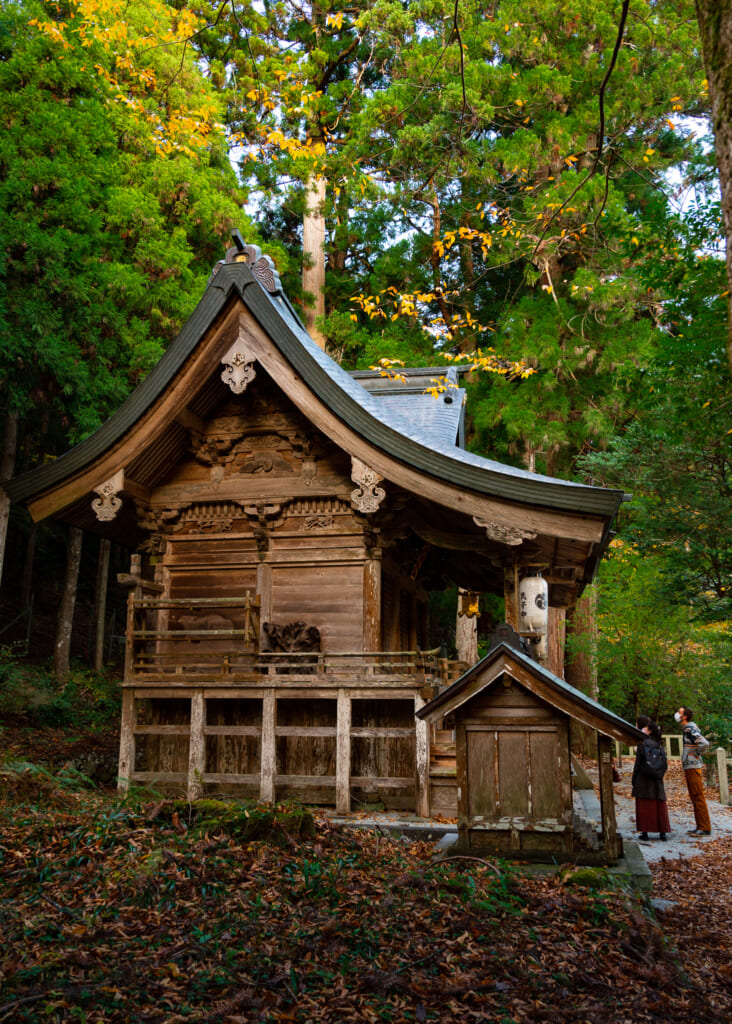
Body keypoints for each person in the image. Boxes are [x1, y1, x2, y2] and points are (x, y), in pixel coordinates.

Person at [631, 716, 670, 841]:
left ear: (649, 730)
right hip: (657, 777)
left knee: (644, 804)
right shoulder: (660, 745)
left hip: (644, 777)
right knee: (659, 804)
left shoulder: (643, 744)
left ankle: (645, 831)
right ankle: (662, 831)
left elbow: (638, 763)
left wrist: (634, 778)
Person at [675, 706, 712, 836]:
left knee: (698, 796)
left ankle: (704, 827)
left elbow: (704, 743)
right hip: (690, 766)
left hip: (693, 766)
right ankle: (700, 826)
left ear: (685, 716)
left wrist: (696, 753)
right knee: (695, 796)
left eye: (679, 712)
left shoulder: (690, 728)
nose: (677, 714)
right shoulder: (687, 729)